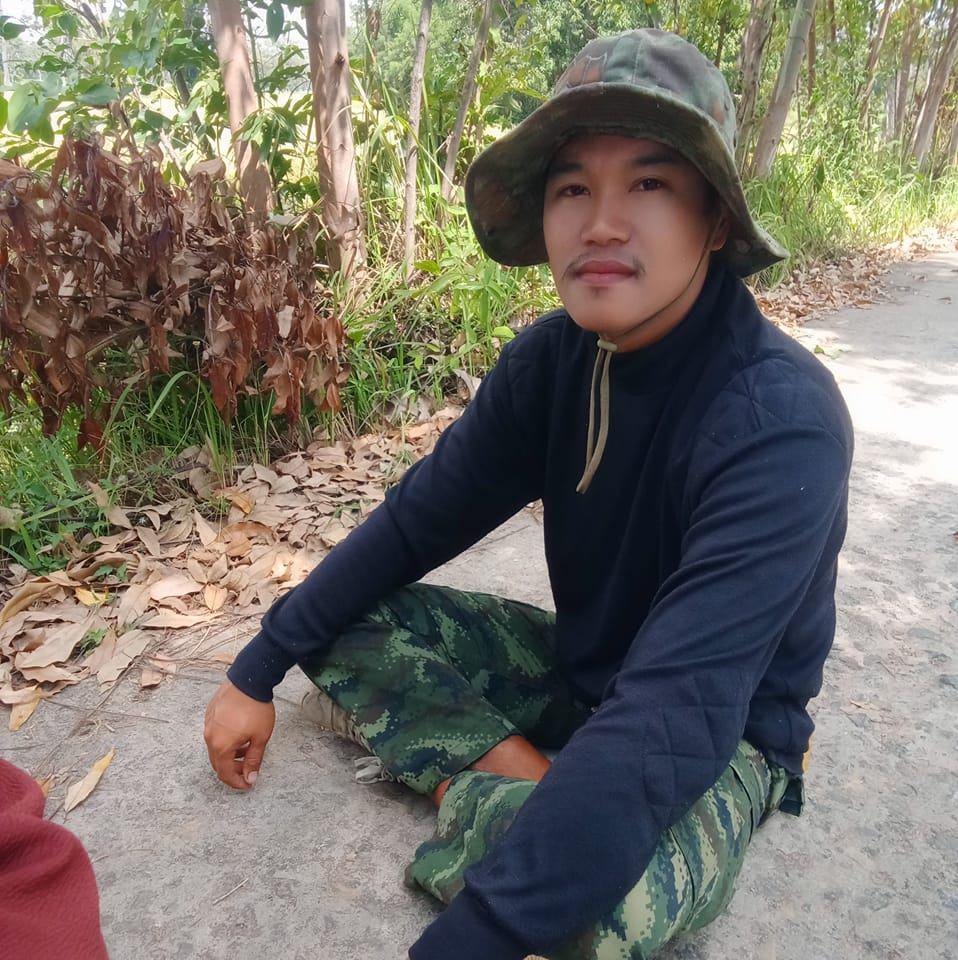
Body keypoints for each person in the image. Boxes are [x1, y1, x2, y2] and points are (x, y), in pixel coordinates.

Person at [203, 28, 853, 960]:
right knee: (336, 623)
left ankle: (528, 818)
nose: (602, 224)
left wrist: (479, 934)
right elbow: (413, 525)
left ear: (715, 218)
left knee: (607, 911)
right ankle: (547, 801)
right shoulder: (549, 365)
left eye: (650, 184)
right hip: (583, 674)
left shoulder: (779, 418)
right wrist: (254, 669)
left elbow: (681, 705)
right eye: (572, 188)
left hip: (724, 731)